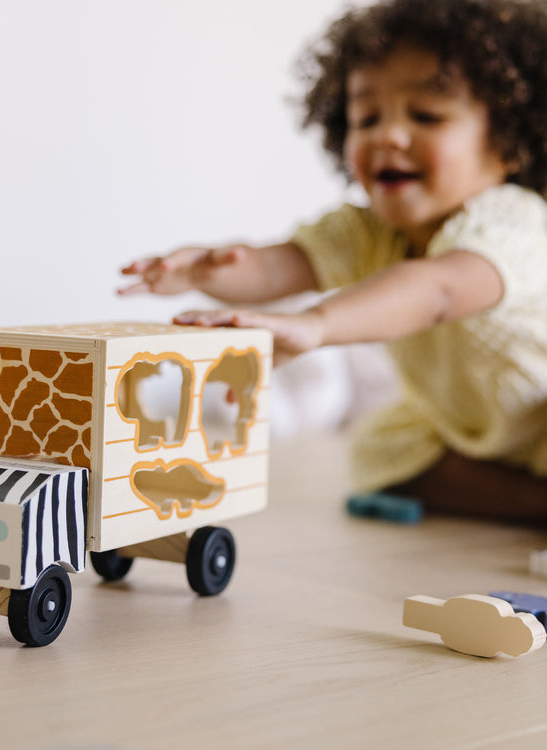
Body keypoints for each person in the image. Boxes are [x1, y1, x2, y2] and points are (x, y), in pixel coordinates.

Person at [118, 0, 547, 524]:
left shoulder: (512, 224)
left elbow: (436, 290)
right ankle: (528, 502)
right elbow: (281, 266)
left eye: (426, 115)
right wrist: (207, 270)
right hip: (472, 423)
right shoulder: (367, 230)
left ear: (509, 145)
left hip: (539, 413)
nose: (387, 135)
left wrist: (316, 324)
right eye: (366, 118)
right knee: (377, 444)